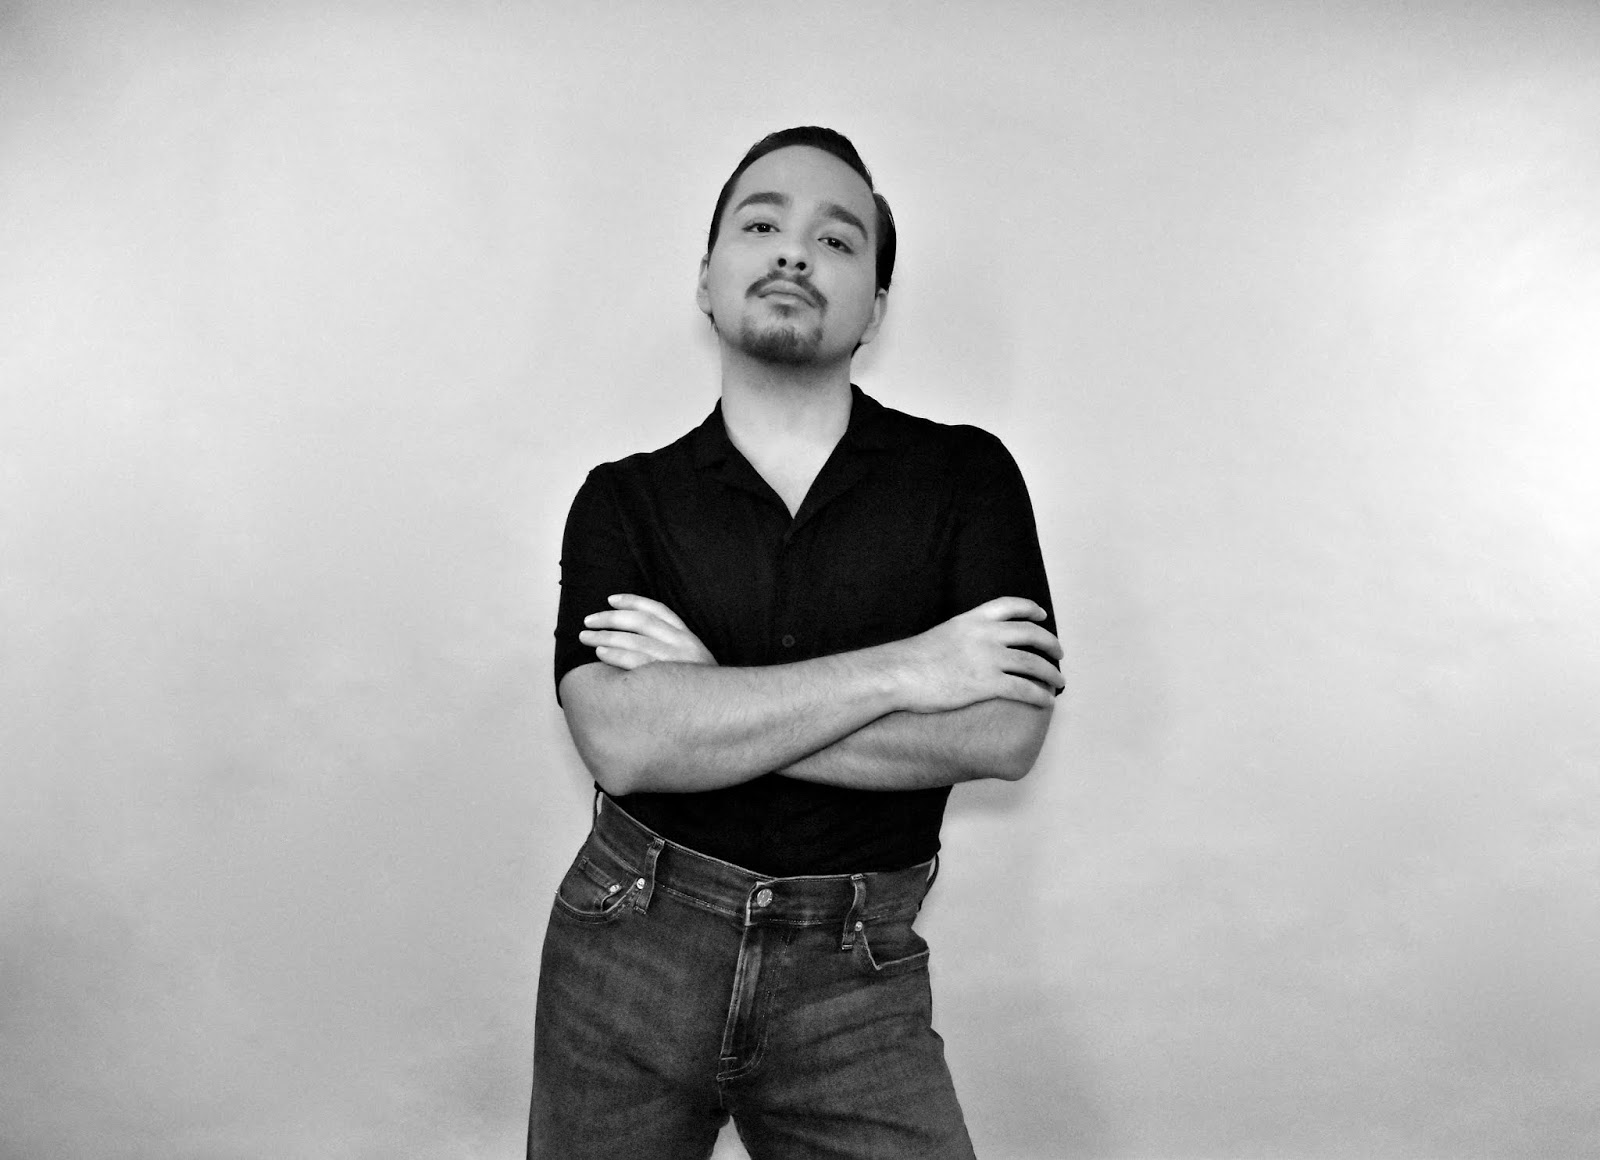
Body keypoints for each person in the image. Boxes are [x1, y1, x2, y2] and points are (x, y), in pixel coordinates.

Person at [529, 125, 1063, 1159]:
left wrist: (708, 700)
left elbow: (1003, 732)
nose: (792, 252)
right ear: (706, 278)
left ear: (876, 306)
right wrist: (913, 669)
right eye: (761, 225)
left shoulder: (967, 478)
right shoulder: (621, 500)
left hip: (856, 974)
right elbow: (625, 744)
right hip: (629, 944)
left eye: (836, 239)